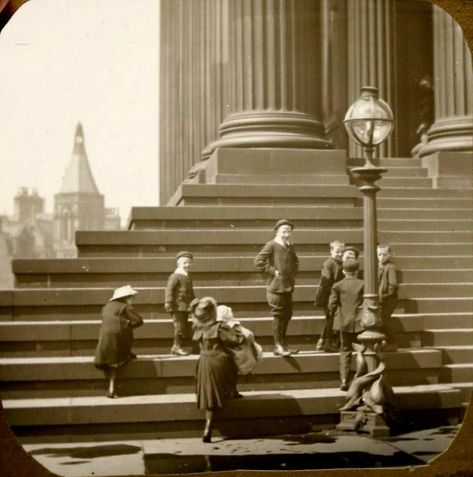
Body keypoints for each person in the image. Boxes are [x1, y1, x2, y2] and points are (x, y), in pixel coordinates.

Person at [192, 297, 244, 443]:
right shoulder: (220, 326)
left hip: (204, 360)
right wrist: (235, 327)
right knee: (233, 360)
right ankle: (231, 391)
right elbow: (236, 341)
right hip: (218, 360)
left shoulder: (197, 326)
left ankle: (208, 427)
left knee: (209, 392)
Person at [255, 219, 299, 357]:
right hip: (276, 288)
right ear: (277, 232)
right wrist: (273, 271)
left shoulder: (289, 245)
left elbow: (295, 260)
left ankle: (283, 344)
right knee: (278, 315)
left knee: (287, 315)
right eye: (284, 231)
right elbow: (258, 261)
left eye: (289, 231)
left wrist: (292, 274)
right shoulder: (271, 245)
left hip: (287, 286)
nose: (286, 234)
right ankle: (278, 345)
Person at [94, 285, 144, 398]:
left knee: (113, 354)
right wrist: (129, 324)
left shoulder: (106, 306)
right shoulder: (125, 307)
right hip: (119, 337)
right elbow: (139, 320)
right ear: (126, 298)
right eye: (132, 297)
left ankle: (111, 388)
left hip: (105, 338)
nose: (133, 299)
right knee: (126, 333)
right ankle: (112, 389)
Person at [328, 259, 364, 391]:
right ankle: (360, 378)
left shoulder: (337, 285)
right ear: (357, 271)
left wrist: (333, 316)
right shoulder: (363, 284)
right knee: (362, 351)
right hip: (360, 324)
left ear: (343, 271)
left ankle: (344, 380)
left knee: (345, 351)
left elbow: (332, 305)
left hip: (343, 324)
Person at [314, 240, 345, 352]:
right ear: (331, 251)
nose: (340, 254)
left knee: (330, 319)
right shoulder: (329, 263)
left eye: (342, 251)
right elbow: (326, 282)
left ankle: (322, 341)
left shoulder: (340, 263)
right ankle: (327, 342)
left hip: (335, 295)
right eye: (337, 251)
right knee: (330, 319)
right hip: (328, 296)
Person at [164, 251, 196, 356]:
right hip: (177, 307)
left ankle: (179, 346)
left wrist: (195, 301)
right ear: (178, 264)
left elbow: (191, 292)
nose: (188, 265)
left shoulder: (187, 277)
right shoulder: (176, 276)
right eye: (185, 263)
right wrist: (168, 302)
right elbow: (169, 289)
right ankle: (176, 347)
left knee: (183, 327)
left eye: (189, 263)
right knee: (179, 327)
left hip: (186, 307)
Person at [377, 244, 399, 351]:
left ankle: (392, 343)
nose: (381, 257)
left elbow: (393, 285)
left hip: (388, 300)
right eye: (379, 254)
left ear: (389, 254)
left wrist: (383, 296)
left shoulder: (391, 267)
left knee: (384, 320)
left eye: (384, 255)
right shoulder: (378, 266)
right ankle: (383, 341)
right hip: (380, 299)